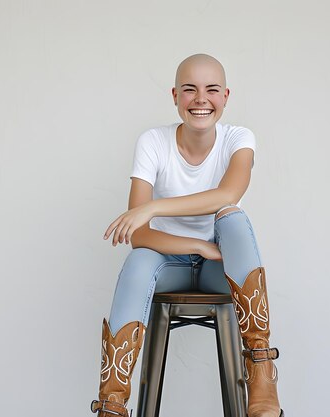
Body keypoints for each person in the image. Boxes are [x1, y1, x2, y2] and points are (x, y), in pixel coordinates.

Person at [90, 54, 283, 417]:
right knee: (138, 260)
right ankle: (111, 406)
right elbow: (139, 235)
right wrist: (196, 244)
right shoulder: (153, 141)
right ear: (175, 95)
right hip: (169, 261)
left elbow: (228, 194)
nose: (200, 99)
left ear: (225, 96)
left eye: (211, 90)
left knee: (232, 217)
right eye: (189, 90)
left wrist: (153, 207)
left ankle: (260, 367)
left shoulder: (239, 138)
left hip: (221, 269)